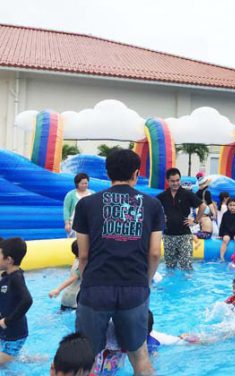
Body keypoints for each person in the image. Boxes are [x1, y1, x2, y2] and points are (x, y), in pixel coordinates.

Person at [72, 148, 163, 375]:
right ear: (136, 173)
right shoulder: (152, 205)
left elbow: (83, 255)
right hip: (134, 287)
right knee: (140, 357)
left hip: (96, 287)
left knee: (85, 358)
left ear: (107, 172)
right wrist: (146, 281)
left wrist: (87, 281)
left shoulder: (86, 204)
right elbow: (154, 254)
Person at [157, 168, 206, 270]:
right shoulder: (163, 196)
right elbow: (153, 207)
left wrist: (195, 221)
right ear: (167, 181)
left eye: (177, 180)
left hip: (184, 235)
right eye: (172, 181)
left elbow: (203, 206)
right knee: (170, 266)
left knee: (186, 266)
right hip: (168, 236)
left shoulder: (186, 194)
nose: (176, 183)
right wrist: (161, 218)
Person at [0, 237, 33, 365]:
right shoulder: (6, 276)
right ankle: (30, 359)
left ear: (8, 260)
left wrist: (7, 321)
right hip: (6, 331)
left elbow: (27, 300)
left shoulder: (16, 278)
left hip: (14, 333)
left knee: (6, 366)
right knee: (9, 359)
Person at [48, 240, 81, 310]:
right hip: (74, 298)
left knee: (60, 313)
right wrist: (58, 289)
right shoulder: (81, 265)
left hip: (65, 297)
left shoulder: (75, 261)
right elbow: (73, 278)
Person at [63, 173, 94, 238]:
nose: (84, 185)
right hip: (74, 225)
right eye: (82, 183)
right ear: (77, 183)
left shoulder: (92, 193)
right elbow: (66, 209)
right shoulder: (70, 195)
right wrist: (67, 224)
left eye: (86, 183)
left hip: (89, 224)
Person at [218, 198, 235, 262]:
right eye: (230, 205)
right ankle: (221, 256)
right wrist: (220, 234)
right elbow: (222, 225)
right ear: (227, 206)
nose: (232, 207)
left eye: (234, 205)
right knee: (225, 239)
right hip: (227, 231)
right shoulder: (225, 214)